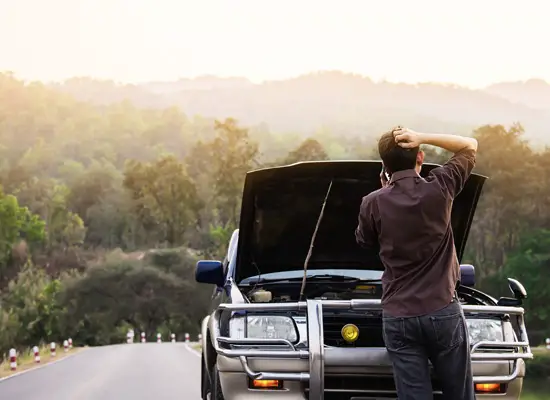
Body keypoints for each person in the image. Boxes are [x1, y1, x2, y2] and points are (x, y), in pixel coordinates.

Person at [355, 127, 478, 400]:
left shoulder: (372, 202)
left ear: (384, 166)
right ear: (420, 156)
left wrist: (385, 193)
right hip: (443, 310)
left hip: (399, 316)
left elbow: (364, 242)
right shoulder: (441, 186)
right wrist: (422, 136)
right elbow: (469, 145)